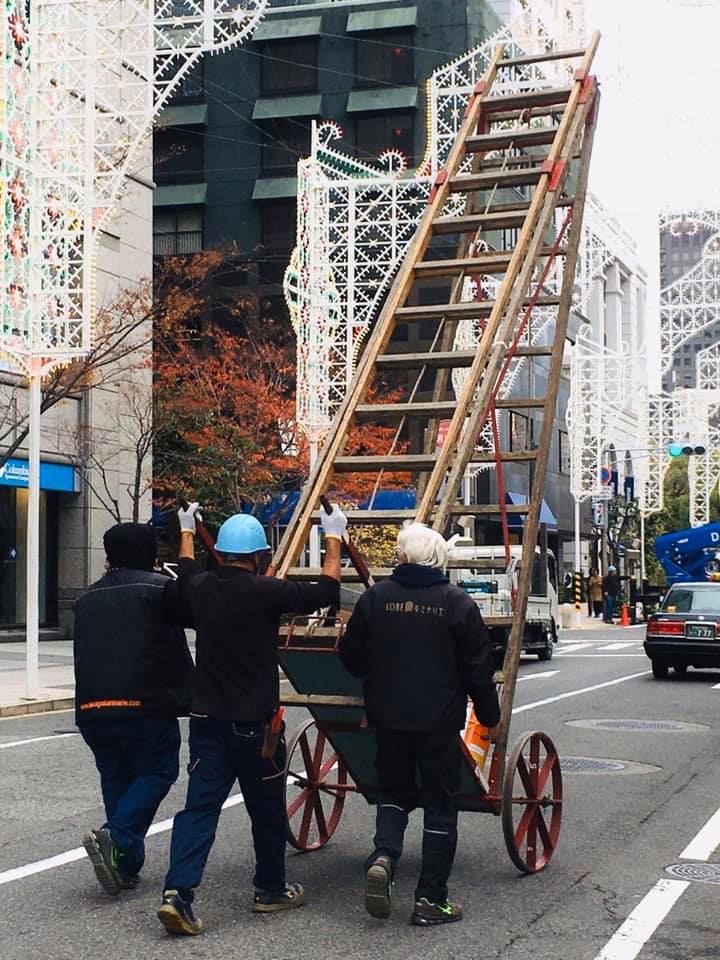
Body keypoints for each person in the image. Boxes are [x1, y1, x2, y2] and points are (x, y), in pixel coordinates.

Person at [158, 501, 346, 936]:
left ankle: (178, 893)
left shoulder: (200, 587)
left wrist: (186, 530)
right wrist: (334, 536)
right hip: (255, 726)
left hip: (206, 720)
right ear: (259, 555)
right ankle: (270, 889)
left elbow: (185, 571)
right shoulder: (267, 591)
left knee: (199, 809)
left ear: (222, 553)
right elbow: (326, 590)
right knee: (265, 809)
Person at [338, 522, 500, 927]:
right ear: (438, 558)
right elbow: (479, 670)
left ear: (403, 556)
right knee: (440, 806)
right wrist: (490, 718)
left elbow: (350, 655)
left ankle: (384, 856)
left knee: (393, 792)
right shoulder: (457, 603)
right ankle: (430, 899)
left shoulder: (376, 598)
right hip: (438, 722)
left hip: (387, 717)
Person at [74, 522, 194, 895]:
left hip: (92, 707)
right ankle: (116, 836)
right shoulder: (159, 589)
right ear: (149, 553)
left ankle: (124, 865)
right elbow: (196, 610)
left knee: (116, 780)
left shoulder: (86, 598)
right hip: (146, 704)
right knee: (158, 772)